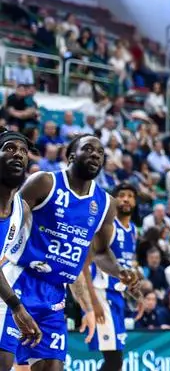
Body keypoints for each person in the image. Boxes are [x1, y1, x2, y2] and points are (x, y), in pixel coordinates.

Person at [0, 135, 141, 371]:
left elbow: (100, 252)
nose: (95, 154)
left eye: (100, 152)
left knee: (52, 366)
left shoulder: (106, 204)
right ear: (72, 155)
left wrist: (120, 271)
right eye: (88, 149)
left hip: (55, 293)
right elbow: (9, 217)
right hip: (21, 279)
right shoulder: (44, 182)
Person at [82, 183, 139, 371]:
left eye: (130, 196)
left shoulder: (133, 230)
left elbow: (126, 267)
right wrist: (92, 303)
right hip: (101, 294)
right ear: (114, 200)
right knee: (114, 361)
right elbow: (85, 264)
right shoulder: (107, 227)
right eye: (121, 195)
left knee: (115, 361)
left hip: (117, 296)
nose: (126, 199)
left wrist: (136, 292)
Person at [0, 129, 41, 358]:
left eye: (23, 151)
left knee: (4, 360)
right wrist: (17, 306)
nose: (18, 154)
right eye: (9, 148)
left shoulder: (22, 209)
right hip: (9, 299)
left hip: (5, 295)